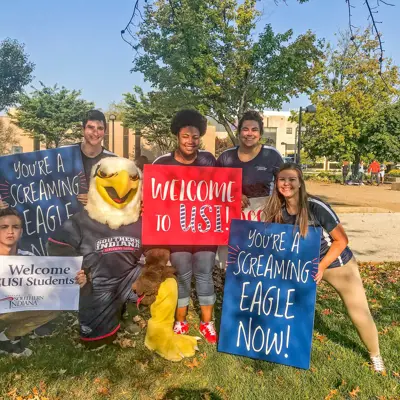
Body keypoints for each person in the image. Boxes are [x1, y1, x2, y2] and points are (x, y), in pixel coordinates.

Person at [262, 163, 385, 372]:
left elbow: (341, 240)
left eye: (292, 179)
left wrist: (321, 266)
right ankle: (286, 348)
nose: (286, 184)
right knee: (285, 307)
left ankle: (375, 355)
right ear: (276, 183)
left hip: (336, 263)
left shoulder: (315, 206)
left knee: (358, 311)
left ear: (300, 182)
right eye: (282, 179)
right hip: (301, 266)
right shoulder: (277, 209)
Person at [153, 109, 218, 344]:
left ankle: (207, 323)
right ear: (177, 136)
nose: (190, 141)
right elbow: (153, 195)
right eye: (185, 136)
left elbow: (221, 189)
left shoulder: (209, 160)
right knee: (181, 274)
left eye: (195, 136)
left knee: (204, 273)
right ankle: (180, 321)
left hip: (205, 229)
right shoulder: (162, 163)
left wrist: (235, 194)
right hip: (176, 231)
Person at [0, 208, 85, 356]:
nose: (10, 232)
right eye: (4, 227)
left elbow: (50, 285)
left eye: (15, 227)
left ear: (21, 232)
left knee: (55, 304)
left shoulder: (29, 257)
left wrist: (75, 282)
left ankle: (7, 337)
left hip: (12, 306)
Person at [217, 110, 283, 209]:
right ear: (239, 133)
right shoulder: (225, 157)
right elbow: (214, 188)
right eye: (245, 129)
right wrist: (233, 195)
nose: (249, 133)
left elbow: (285, 185)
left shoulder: (272, 155)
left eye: (254, 130)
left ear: (260, 134)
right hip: (230, 214)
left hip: (264, 214)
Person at [77, 110, 116, 205]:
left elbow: (118, 194)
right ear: (83, 129)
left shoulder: (114, 161)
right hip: (69, 213)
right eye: (90, 127)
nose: (95, 133)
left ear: (105, 131)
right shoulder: (66, 155)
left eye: (100, 128)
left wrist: (96, 198)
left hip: (100, 214)